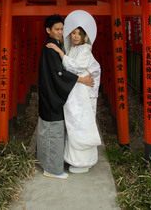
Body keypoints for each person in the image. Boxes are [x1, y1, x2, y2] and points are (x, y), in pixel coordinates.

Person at [37, 14, 94, 180]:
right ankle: (52, 169)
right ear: (48, 30)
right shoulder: (50, 47)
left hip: (51, 93)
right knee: (53, 133)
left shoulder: (56, 45)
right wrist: (81, 79)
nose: (60, 32)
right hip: (52, 95)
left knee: (49, 131)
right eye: (56, 29)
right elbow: (59, 73)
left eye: (62, 29)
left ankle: (45, 162)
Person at [46, 10, 102, 174]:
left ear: (85, 36)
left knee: (82, 123)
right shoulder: (73, 50)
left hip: (81, 93)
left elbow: (75, 67)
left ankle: (84, 161)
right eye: (73, 33)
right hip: (75, 91)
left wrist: (60, 52)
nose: (76, 36)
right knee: (74, 123)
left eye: (79, 34)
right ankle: (74, 159)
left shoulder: (85, 50)